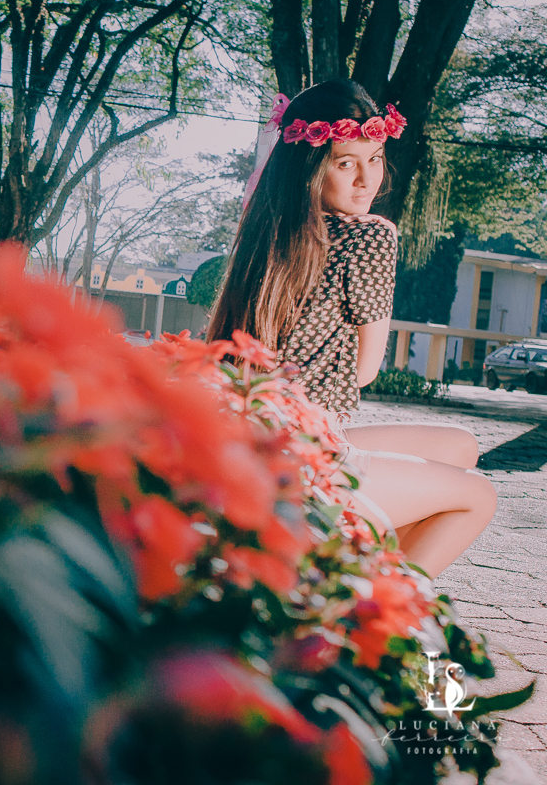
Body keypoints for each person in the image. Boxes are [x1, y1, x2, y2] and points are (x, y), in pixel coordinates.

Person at [207, 79, 495, 578]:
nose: (368, 181)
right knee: (479, 496)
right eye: (346, 163)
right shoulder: (369, 236)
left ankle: (354, 573)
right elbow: (363, 371)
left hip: (255, 442)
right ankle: (384, 614)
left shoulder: (266, 236)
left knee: (461, 447)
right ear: (310, 170)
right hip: (302, 459)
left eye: (376, 158)